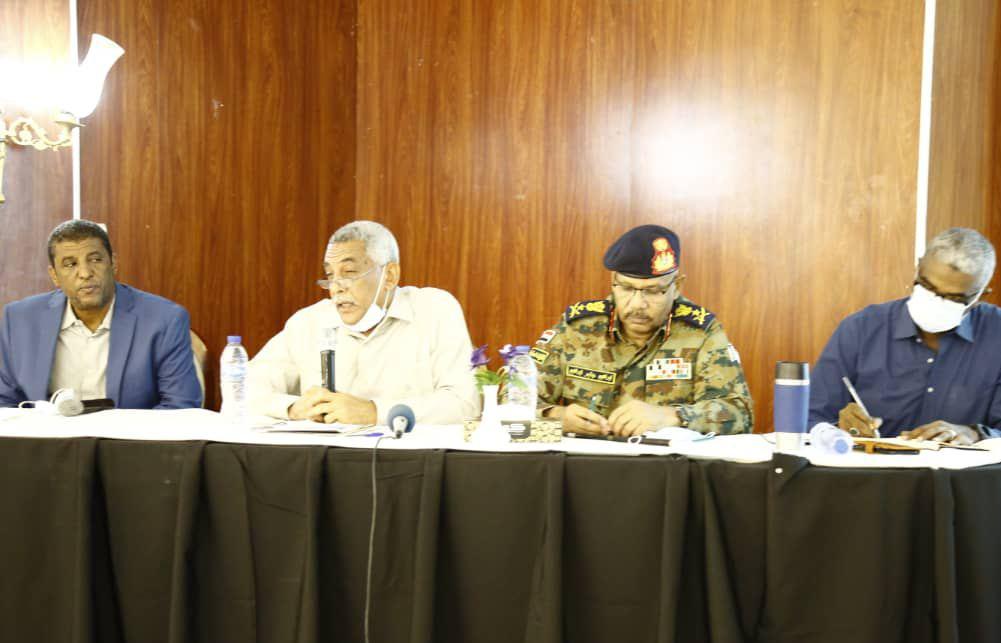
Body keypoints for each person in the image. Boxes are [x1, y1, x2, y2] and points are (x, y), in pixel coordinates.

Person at [809, 227, 1001, 443]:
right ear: (918, 267)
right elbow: (809, 418)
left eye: (954, 298)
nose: (936, 301)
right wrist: (837, 431)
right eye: (927, 286)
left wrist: (974, 434)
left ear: (980, 295)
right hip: (872, 471)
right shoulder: (861, 328)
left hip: (959, 474)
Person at [248, 220, 480, 424]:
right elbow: (244, 387)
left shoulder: (434, 310)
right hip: (324, 456)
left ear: (389, 276)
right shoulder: (309, 322)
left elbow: (464, 404)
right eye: (330, 276)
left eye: (349, 272)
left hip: (408, 456)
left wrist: (373, 412)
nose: (337, 288)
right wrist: (292, 409)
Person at [532, 224, 753, 436]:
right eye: (627, 288)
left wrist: (672, 416)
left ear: (677, 286)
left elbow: (740, 413)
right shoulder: (577, 328)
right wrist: (556, 417)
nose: (638, 304)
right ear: (613, 281)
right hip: (584, 458)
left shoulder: (700, 333)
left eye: (653, 291)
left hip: (664, 461)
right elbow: (516, 396)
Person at [0, 219, 202, 409]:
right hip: (45, 435)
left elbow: (180, 406)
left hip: (129, 435)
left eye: (95, 260)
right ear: (54, 275)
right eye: (70, 264)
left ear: (113, 263)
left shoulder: (164, 320)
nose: (85, 273)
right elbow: (5, 402)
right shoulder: (19, 320)